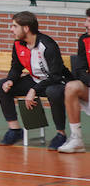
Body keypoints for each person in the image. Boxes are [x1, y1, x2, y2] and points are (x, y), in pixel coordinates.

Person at [0, 11, 69, 149]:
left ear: (26, 28)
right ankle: (14, 130)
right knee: (2, 85)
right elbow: (16, 68)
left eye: (14, 26)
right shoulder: (18, 44)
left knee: (53, 92)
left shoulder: (47, 45)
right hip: (36, 80)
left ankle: (61, 134)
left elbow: (56, 76)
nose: (11, 29)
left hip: (56, 81)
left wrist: (34, 90)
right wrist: (11, 80)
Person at [59, 8, 90, 153]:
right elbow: (80, 70)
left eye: (89, 21)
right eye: (86, 20)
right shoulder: (84, 40)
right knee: (71, 87)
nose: (86, 24)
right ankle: (76, 139)